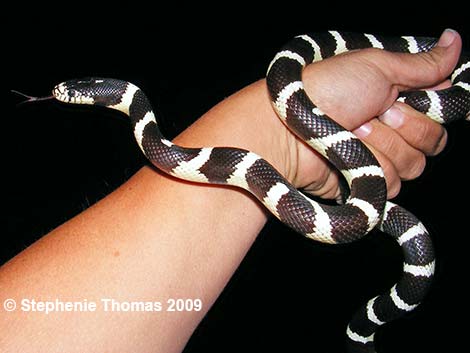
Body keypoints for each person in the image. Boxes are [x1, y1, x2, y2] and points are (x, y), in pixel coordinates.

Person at [0, 29, 461, 352]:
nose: (69, 94)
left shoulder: (152, 134)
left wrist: (289, 136)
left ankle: (365, 331)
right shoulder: (146, 124)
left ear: (110, 96)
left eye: (77, 93)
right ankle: (362, 334)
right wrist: (283, 141)